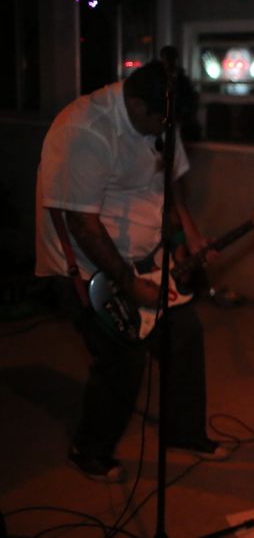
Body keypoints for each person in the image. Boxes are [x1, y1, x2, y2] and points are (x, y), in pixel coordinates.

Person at [34, 60, 228, 483]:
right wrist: (128, 283)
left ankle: (183, 432)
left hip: (145, 259)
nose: (166, 132)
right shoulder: (85, 130)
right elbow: (82, 225)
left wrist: (188, 237)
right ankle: (89, 451)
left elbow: (170, 185)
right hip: (85, 269)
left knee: (183, 334)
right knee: (123, 357)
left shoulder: (162, 115)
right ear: (138, 106)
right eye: (161, 123)